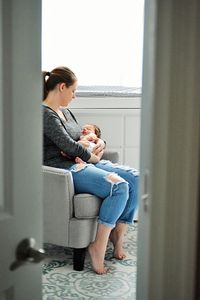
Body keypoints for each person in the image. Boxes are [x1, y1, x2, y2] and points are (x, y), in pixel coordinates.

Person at [42, 66, 139, 275]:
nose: (74, 96)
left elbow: (82, 136)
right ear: (61, 87)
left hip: (83, 162)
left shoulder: (65, 111)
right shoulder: (46, 115)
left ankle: (117, 235)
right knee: (119, 186)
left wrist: (100, 141)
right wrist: (94, 156)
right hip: (66, 169)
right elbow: (70, 147)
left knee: (135, 178)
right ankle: (98, 246)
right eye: (73, 91)